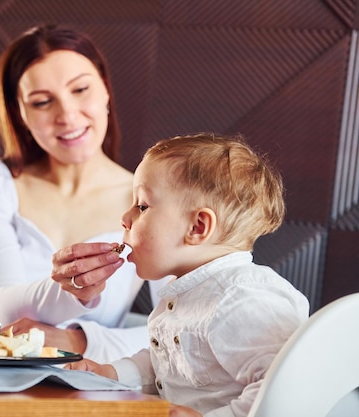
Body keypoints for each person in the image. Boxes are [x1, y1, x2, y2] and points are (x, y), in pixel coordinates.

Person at [0, 24, 169, 363]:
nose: (67, 116)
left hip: (82, 391)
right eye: (42, 102)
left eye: (80, 89)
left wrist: (77, 340)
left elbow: (184, 330)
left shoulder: (153, 200)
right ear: (20, 113)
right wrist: (72, 292)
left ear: (105, 90)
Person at [65, 133, 310, 417]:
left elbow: (284, 387)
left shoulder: (241, 298)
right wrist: (110, 373)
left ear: (197, 227)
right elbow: (167, 365)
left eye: (142, 206)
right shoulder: (186, 294)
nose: (124, 217)